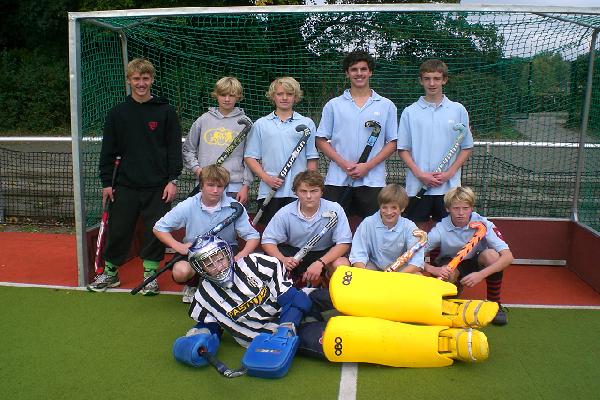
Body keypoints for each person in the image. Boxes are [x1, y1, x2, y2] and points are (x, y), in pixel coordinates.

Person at [88, 58, 182, 295]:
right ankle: (110, 273)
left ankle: (150, 275)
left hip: (158, 186)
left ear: (152, 80)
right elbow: (108, 151)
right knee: (118, 230)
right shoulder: (117, 113)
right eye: (136, 79)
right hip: (124, 185)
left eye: (145, 78)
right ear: (129, 80)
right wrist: (106, 183)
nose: (141, 83)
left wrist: (172, 180)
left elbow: (174, 149)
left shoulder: (166, 111)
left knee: (155, 230)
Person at [153, 165, 260, 303]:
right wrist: (178, 246)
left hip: (224, 251)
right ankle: (192, 285)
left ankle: (213, 287)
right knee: (181, 271)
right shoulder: (188, 205)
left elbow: (253, 236)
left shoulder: (235, 207)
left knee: (226, 280)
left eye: (220, 186)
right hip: (195, 251)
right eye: (210, 185)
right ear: (201, 185)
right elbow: (159, 228)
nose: (215, 190)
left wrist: (241, 255)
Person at [316, 50, 398, 219]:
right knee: (332, 226)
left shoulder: (386, 105)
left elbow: (393, 142)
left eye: (363, 69)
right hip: (338, 179)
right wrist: (344, 164)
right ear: (347, 73)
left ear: (370, 72)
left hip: (373, 180)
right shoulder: (333, 105)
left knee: (373, 227)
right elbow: (321, 139)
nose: (359, 73)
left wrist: (367, 166)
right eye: (354, 69)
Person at [397, 59, 473, 231]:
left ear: (444, 80)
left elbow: (467, 147)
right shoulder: (410, 112)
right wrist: (420, 174)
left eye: (437, 78)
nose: (432, 83)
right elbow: (403, 149)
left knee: (449, 232)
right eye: (427, 78)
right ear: (421, 80)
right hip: (418, 186)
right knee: (416, 232)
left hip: (449, 187)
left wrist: (450, 173)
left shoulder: (458, 110)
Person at [423, 186, 513, 326]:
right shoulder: (440, 229)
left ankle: (494, 304)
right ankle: (449, 301)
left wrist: (481, 275)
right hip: (450, 262)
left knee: (492, 256)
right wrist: (434, 269)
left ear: (471, 208)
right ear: (447, 209)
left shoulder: (484, 223)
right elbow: (415, 256)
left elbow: (508, 256)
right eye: (456, 208)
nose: (461, 213)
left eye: (465, 208)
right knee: (448, 274)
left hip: (476, 261)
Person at [244, 77, 319, 226]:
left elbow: (312, 158)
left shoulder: (307, 123)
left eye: (289, 94)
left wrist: (309, 185)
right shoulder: (261, 124)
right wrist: (266, 178)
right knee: (270, 233)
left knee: (298, 232)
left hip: (298, 192)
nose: (284, 98)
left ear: (296, 97)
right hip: (269, 191)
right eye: (280, 94)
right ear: (273, 96)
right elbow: (250, 157)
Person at [261, 170, 352, 287]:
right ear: (295, 193)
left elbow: (344, 243)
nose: (309, 196)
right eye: (303, 191)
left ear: (322, 191)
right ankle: (287, 287)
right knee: (270, 259)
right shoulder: (285, 212)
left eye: (314, 191)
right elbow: (267, 240)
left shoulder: (335, 209)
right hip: (295, 254)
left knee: (342, 264)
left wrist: (320, 263)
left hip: (324, 253)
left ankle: (328, 286)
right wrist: (283, 259)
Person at [182, 76, 253, 204]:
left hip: (234, 187)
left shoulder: (245, 123)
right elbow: (188, 149)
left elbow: (251, 157)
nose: (227, 99)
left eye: (231, 95)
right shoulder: (203, 120)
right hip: (206, 185)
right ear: (216, 95)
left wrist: (246, 186)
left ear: (238, 96)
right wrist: (197, 169)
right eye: (223, 95)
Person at [347, 184, 425, 273]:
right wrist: (365, 274)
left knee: (418, 275)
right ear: (380, 206)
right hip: (373, 266)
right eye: (384, 207)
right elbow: (358, 254)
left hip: (400, 270)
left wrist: (393, 278)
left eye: (394, 208)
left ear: (402, 208)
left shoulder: (410, 227)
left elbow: (417, 261)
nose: (388, 212)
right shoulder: (367, 223)